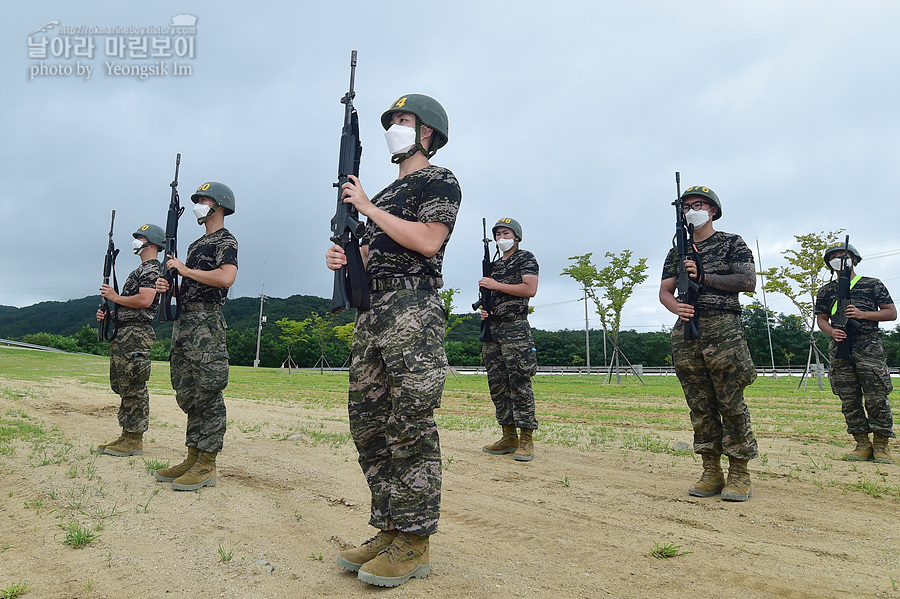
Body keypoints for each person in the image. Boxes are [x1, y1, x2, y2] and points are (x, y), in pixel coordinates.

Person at [326, 94, 461, 588]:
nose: (394, 128)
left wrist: (364, 208)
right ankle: (388, 526)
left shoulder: (439, 179)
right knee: (369, 426)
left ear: (426, 131)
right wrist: (347, 257)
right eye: (391, 122)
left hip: (412, 311)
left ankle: (415, 540)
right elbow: (370, 247)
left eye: (402, 121)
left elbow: (428, 240)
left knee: (410, 423)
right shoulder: (381, 195)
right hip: (372, 312)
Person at [659, 185, 758, 502]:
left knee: (730, 403)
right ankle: (711, 470)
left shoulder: (732, 243)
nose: (692, 211)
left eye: (698, 205)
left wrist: (704, 276)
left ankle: (739, 473)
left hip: (724, 329)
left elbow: (747, 281)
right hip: (688, 332)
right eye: (686, 207)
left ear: (713, 210)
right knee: (700, 406)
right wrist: (675, 307)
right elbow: (665, 291)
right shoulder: (677, 251)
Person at [153, 182, 238, 491]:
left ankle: (207, 464)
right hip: (186, 321)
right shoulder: (192, 246)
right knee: (188, 390)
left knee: (209, 390)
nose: (199, 204)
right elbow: (188, 286)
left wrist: (185, 271)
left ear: (219, 205)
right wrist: (170, 287)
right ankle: (193, 455)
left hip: (207, 324)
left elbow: (226, 277)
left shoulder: (226, 241)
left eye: (203, 199)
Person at [815, 240, 896, 464]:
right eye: (834, 256)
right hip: (840, 347)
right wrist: (832, 332)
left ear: (854, 259)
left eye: (844, 254)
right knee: (848, 396)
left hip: (868, 345)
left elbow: (891, 313)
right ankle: (861, 442)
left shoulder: (872, 284)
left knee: (876, 395)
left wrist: (862, 315)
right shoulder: (825, 291)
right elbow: (821, 320)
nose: (839, 259)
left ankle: (881, 443)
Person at [96, 223, 164, 457]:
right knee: (123, 384)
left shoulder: (152, 270)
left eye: (140, 237)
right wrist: (111, 315)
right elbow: (132, 306)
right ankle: (127, 434)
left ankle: (134, 439)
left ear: (152, 242)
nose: (136, 241)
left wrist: (115, 297)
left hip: (137, 334)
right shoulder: (140, 270)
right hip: (126, 332)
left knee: (134, 385)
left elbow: (145, 301)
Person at [478, 217, 539, 461]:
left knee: (519, 381)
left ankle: (526, 438)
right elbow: (489, 294)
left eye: (506, 233)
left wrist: (496, 284)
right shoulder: (492, 265)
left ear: (516, 236)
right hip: (493, 329)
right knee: (498, 383)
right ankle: (508, 435)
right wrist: (485, 308)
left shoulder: (525, 258)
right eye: (498, 234)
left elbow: (529, 289)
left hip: (515, 327)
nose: (501, 238)